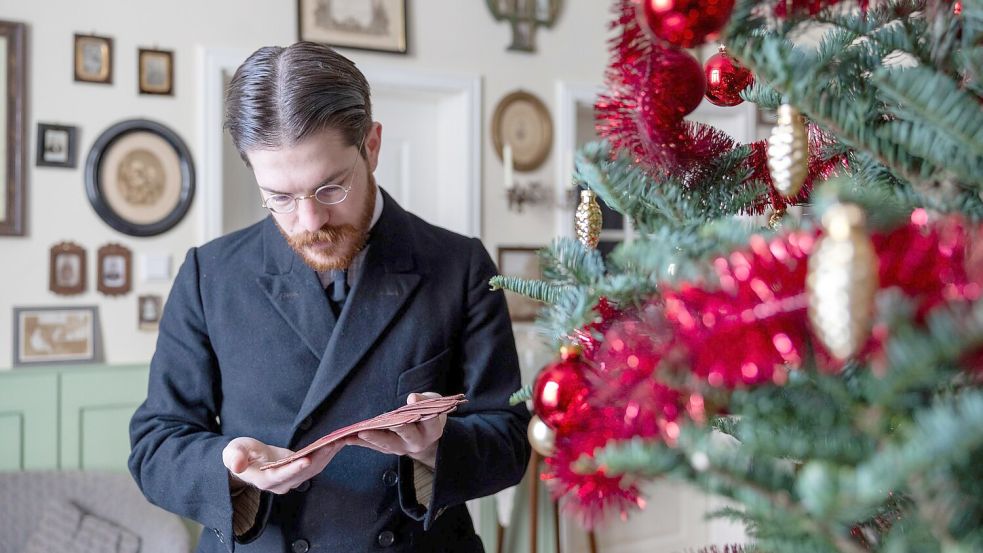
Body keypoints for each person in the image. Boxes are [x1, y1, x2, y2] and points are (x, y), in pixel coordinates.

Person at [128, 42, 531, 553]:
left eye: (330, 188)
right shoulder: (211, 274)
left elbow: (510, 442)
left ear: (373, 146)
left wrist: (436, 447)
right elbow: (156, 444)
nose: (309, 221)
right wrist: (230, 468)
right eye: (280, 197)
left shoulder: (461, 266)